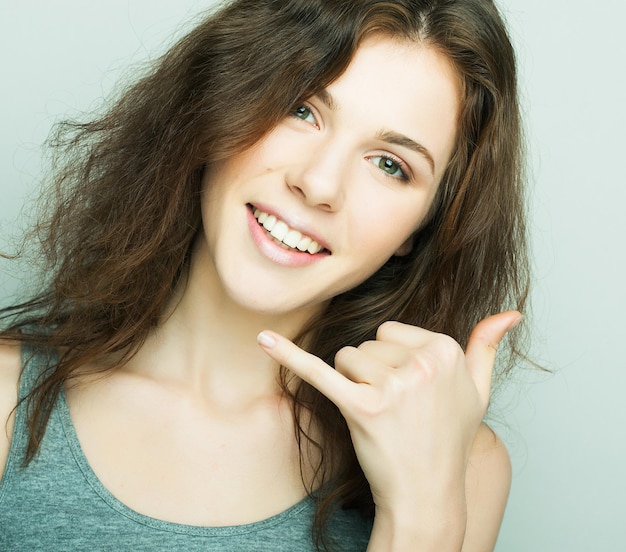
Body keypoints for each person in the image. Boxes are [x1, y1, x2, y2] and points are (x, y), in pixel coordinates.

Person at [0, 0, 530, 550]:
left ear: (419, 230)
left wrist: (423, 510)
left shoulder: (459, 466)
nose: (319, 184)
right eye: (301, 110)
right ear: (219, 103)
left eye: (390, 165)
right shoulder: (8, 399)